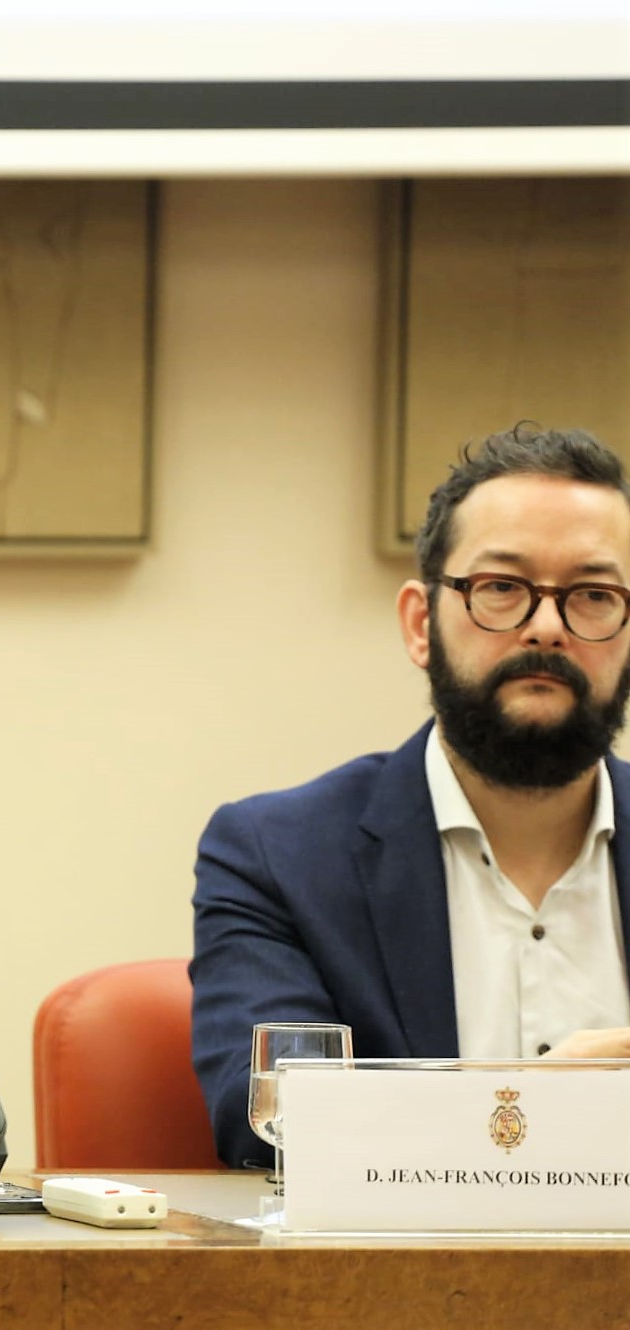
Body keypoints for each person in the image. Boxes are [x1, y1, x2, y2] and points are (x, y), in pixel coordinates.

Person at [191, 425, 630, 1167]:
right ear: (421, 624)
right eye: (501, 588)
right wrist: (526, 1110)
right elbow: (267, 1121)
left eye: (593, 596)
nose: (547, 628)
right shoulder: (276, 857)